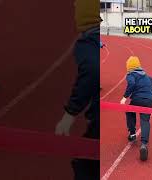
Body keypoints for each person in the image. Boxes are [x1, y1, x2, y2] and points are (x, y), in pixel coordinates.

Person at [55, 0, 102, 179]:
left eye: (76, 8)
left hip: (100, 121)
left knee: (85, 165)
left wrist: (69, 114)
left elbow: (92, 71)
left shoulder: (87, 43)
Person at [120, 56, 152, 161]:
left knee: (129, 111)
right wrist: (150, 94)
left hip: (136, 99)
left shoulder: (130, 75)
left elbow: (132, 83)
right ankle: (144, 144)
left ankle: (132, 133)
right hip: (148, 101)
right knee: (145, 121)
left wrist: (124, 98)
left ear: (129, 66)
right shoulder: (146, 76)